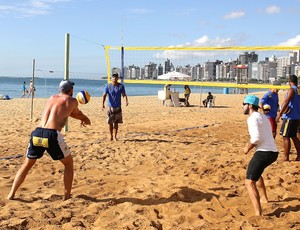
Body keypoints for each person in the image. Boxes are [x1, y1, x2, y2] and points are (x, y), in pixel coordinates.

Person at [7, 80, 91, 200]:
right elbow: (76, 114)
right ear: (70, 90)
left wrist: (81, 117)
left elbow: (66, 112)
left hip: (36, 133)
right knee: (68, 164)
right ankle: (67, 196)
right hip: (52, 135)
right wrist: (86, 119)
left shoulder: (51, 98)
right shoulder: (72, 100)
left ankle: (11, 193)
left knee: (26, 164)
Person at [242, 95, 278, 216]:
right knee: (256, 173)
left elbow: (256, 138)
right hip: (273, 152)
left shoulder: (252, 118)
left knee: (249, 182)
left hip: (264, 152)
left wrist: (247, 147)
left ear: (250, 106)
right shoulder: (263, 116)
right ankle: (264, 198)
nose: (243, 106)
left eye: (244, 104)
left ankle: (258, 213)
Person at [276, 75, 300, 161]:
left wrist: (279, 114)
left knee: (285, 136)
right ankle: (299, 156)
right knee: (293, 136)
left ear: (290, 81)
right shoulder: (298, 89)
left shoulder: (292, 89)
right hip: (297, 116)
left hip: (290, 116)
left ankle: (286, 157)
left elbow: (286, 102)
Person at [102, 73, 129, 141]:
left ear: (117, 78)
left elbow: (124, 94)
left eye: (116, 77)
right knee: (110, 123)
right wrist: (102, 104)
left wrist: (126, 100)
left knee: (116, 123)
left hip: (118, 107)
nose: (114, 78)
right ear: (111, 78)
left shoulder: (120, 86)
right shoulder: (108, 86)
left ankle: (115, 136)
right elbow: (104, 95)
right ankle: (111, 136)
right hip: (110, 107)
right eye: (113, 77)